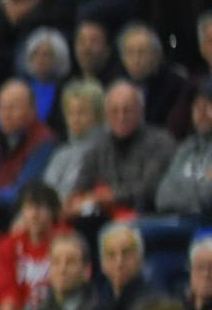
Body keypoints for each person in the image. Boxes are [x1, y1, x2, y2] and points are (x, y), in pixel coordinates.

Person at [72, 81, 177, 215]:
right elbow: (81, 185)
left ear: (140, 111)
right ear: (106, 115)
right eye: (114, 111)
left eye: (127, 111)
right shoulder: (98, 145)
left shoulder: (160, 142)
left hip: (146, 214)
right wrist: (75, 200)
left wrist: (110, 196)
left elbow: (150, 189)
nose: (121, 117)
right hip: (101, 214)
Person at [0, 80, 57, 212]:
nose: (6, 114)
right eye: (2, 108)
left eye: (13, 108)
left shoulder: (43, 141)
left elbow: (21, 194)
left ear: (32, 110)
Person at [155, 80, 212, 218]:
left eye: (208, 105)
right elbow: (162, 197)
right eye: (197, 106)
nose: (201, 112)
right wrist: (202, 184)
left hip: (206, 225)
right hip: (178, 220)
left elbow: (210, 198)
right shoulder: (188, 147)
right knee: (118, 230)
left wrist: (183, 188)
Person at [42, 79, 106, 198]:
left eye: (81, 113)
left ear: (98, 115)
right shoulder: (61, 153)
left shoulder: (105, 152)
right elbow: (47, 191)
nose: (75, 119)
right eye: (71, 113)